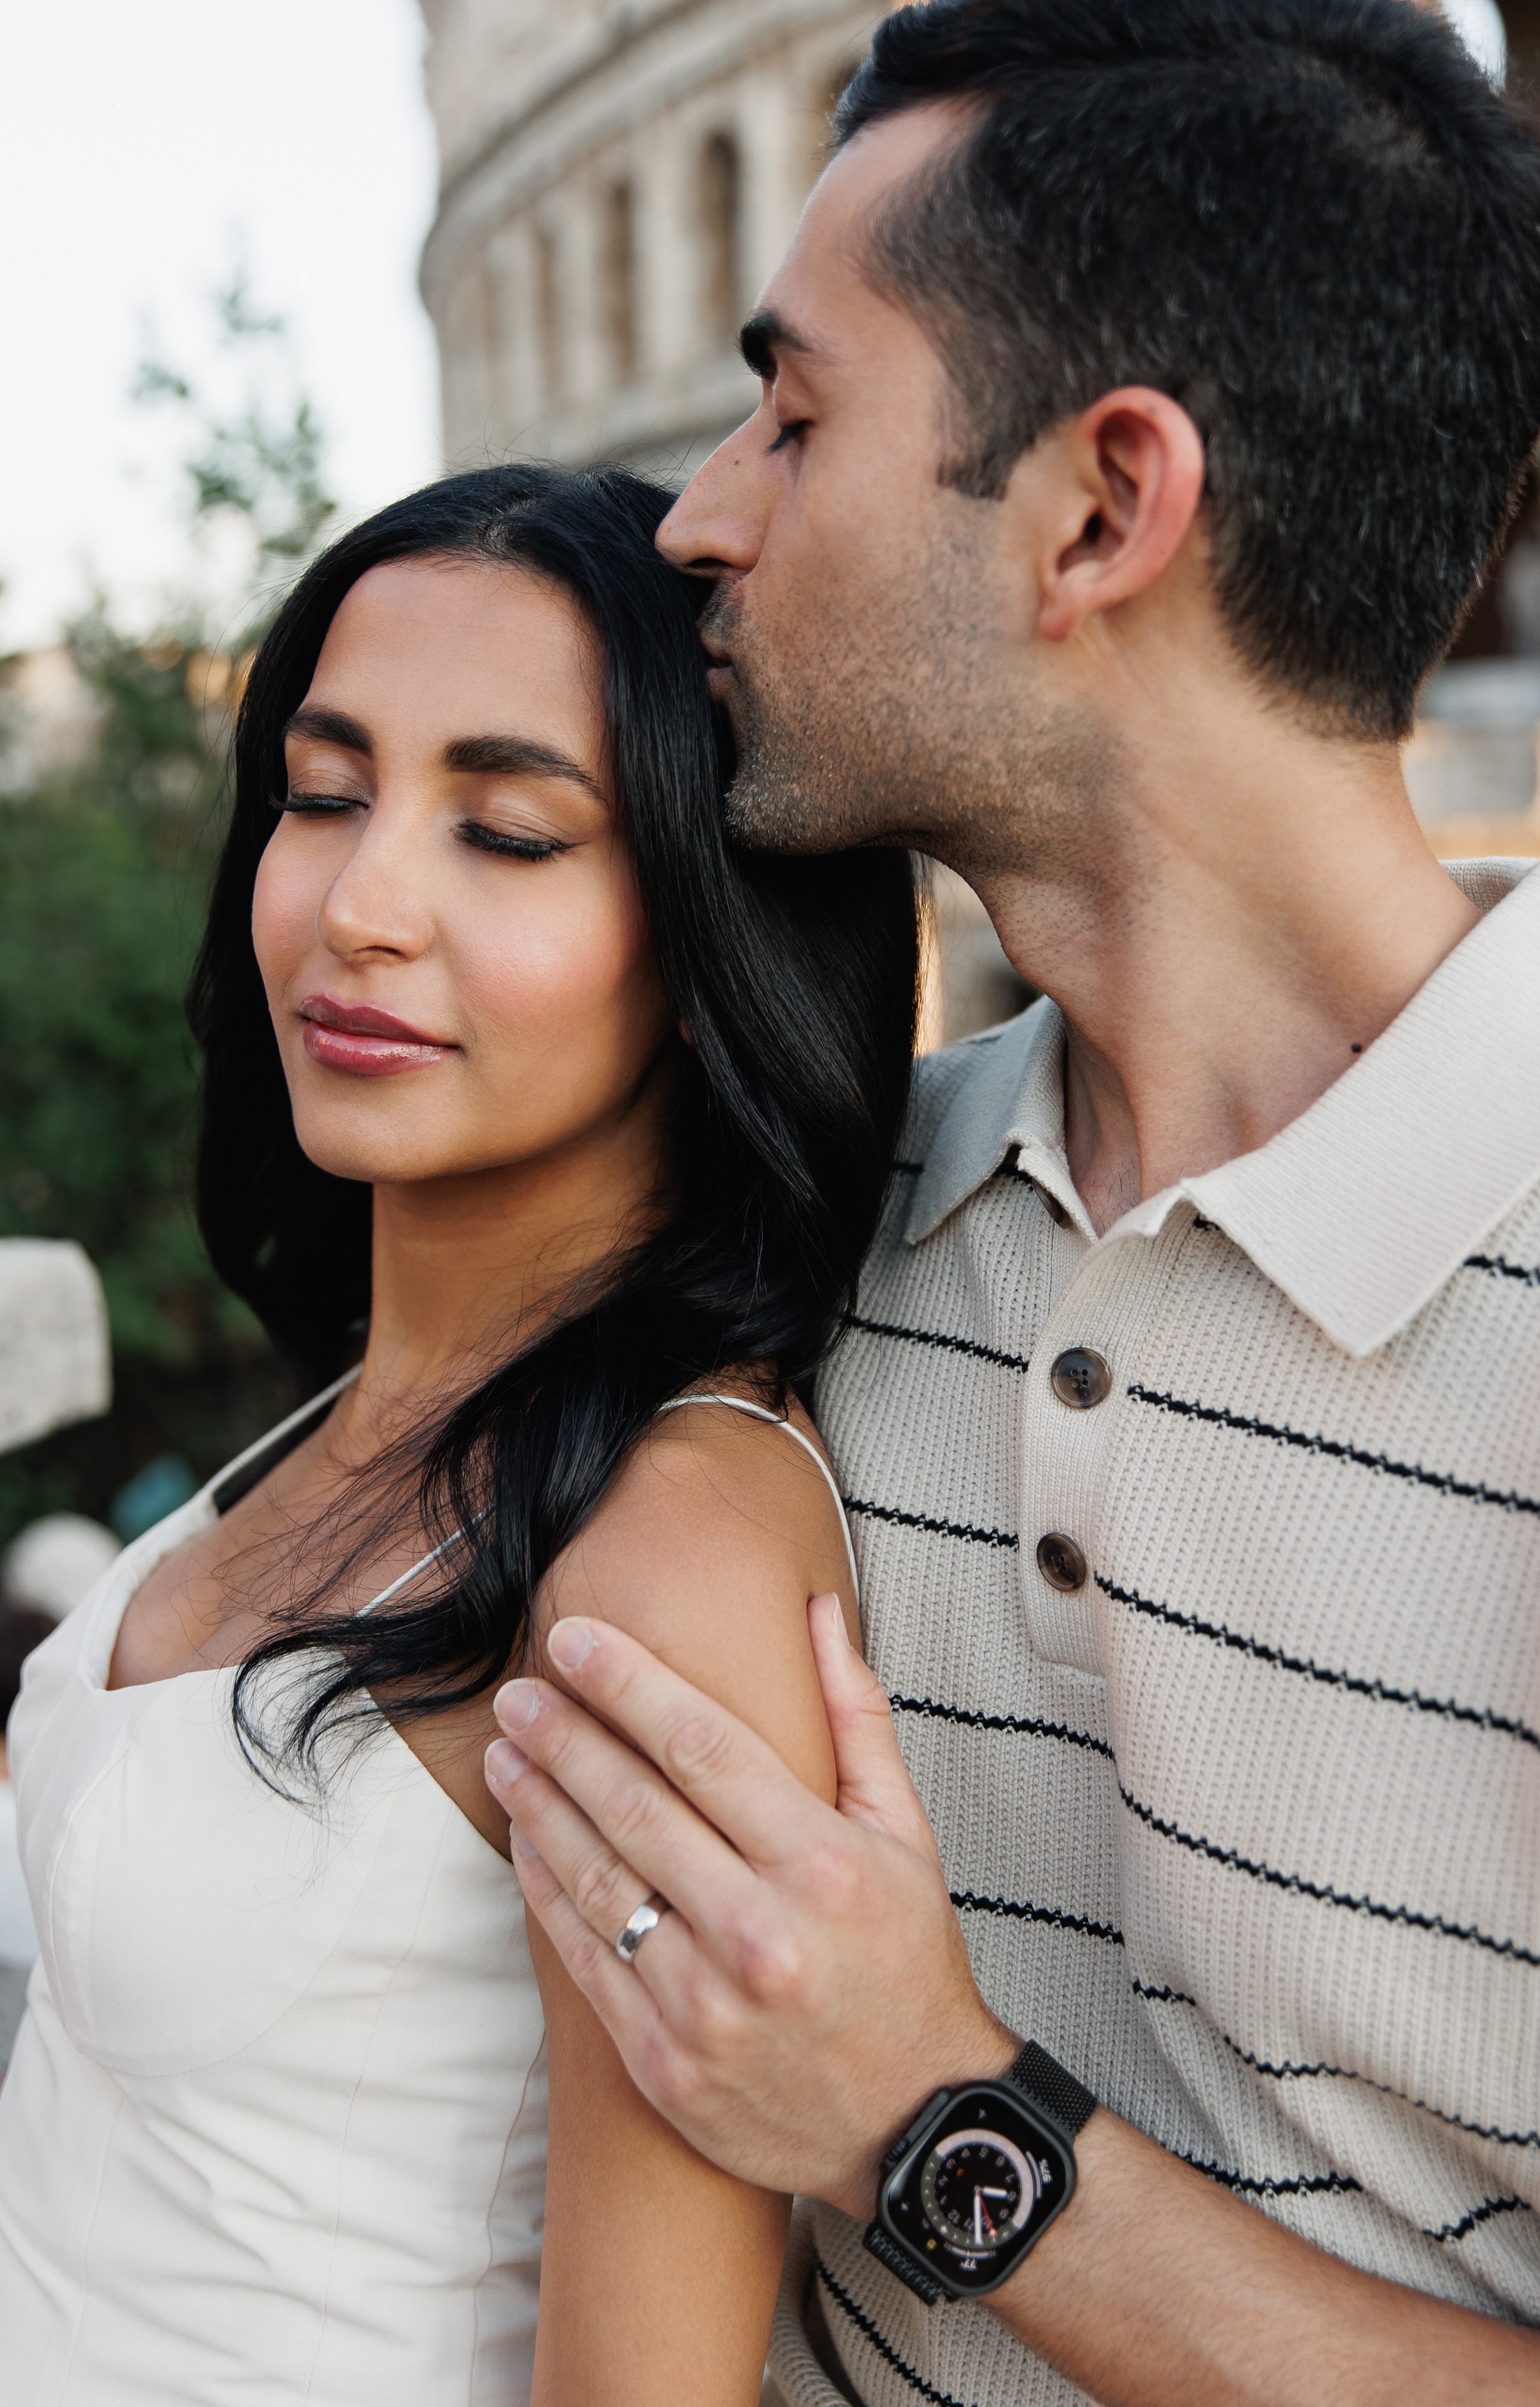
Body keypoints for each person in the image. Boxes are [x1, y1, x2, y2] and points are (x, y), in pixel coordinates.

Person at [482, 5, 1540, 2403]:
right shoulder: (811, 1232)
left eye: (797, 417)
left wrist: (940, 2125)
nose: (699, 512)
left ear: (1102, 510)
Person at [0, 463, 920, 2404]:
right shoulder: (364, 1409)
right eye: (323, 796)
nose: (363, 905)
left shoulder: (661, 1551)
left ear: (705, 927)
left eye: (506, 831)